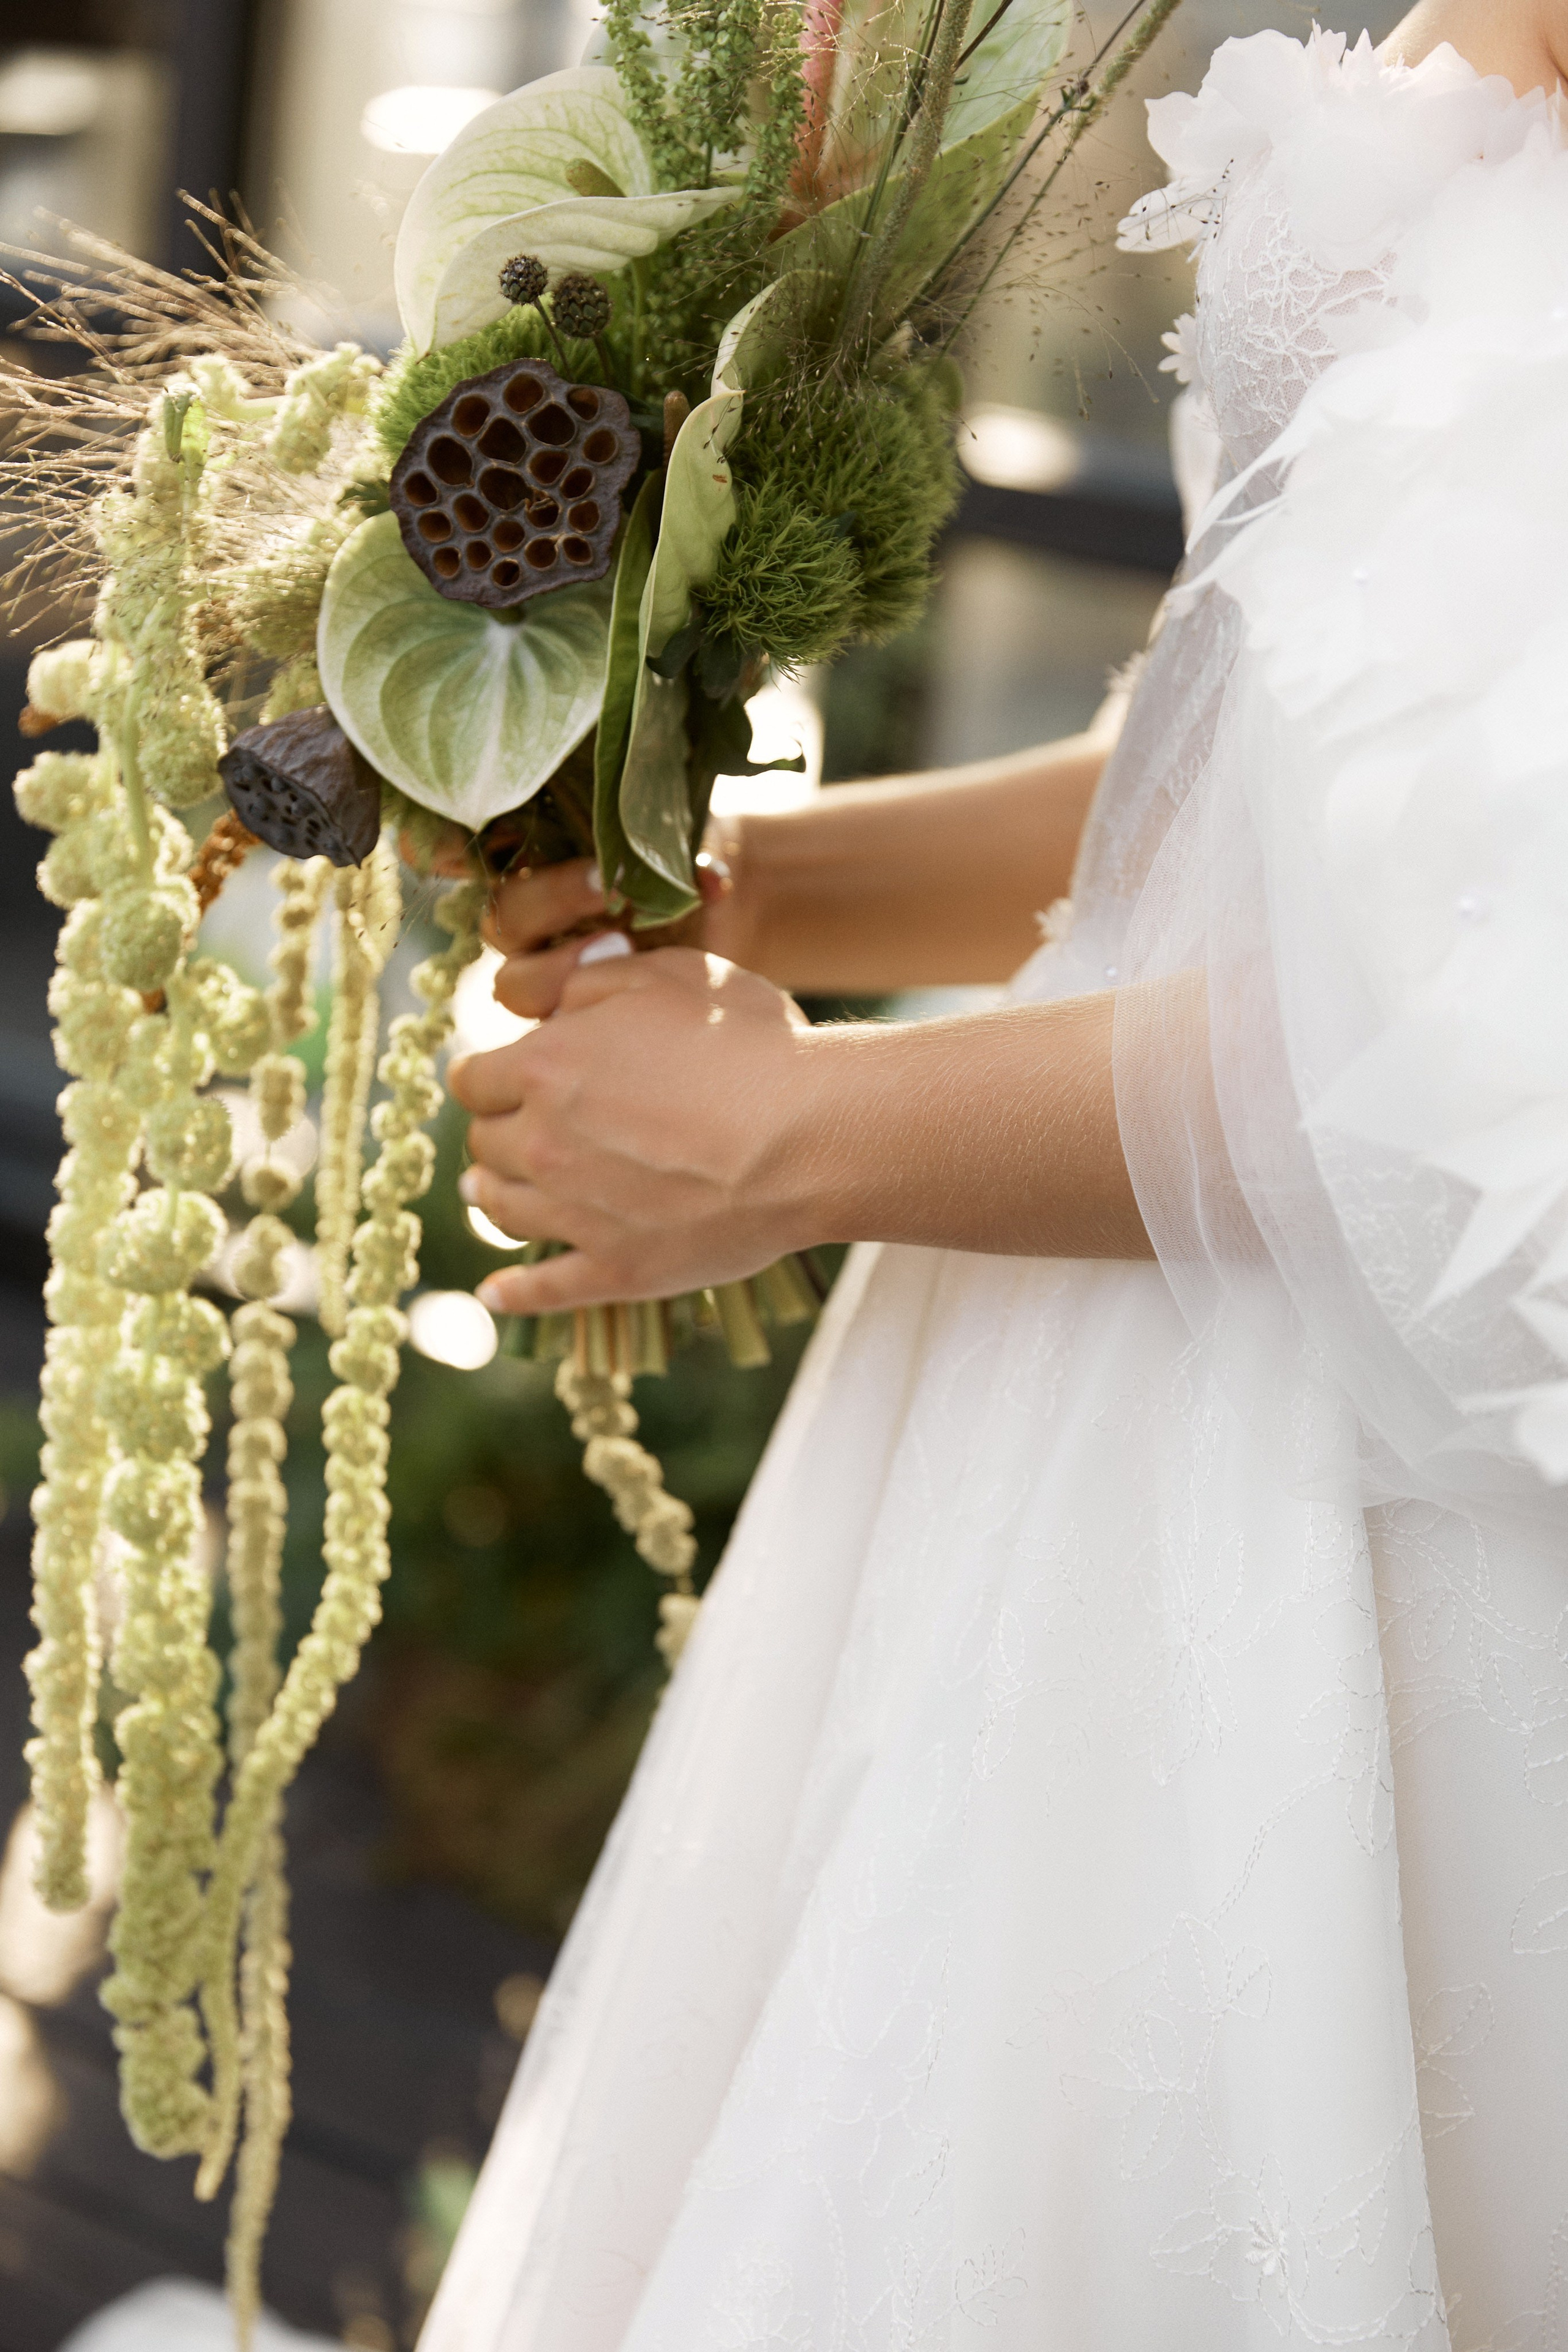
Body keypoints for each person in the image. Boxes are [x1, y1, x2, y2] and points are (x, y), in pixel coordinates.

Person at [429, 3, 1568, 2342]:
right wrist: (756, 887)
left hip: (1371, 1500)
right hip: (1047, 1378)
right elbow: (1264, 762)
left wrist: (798, 1135)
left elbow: (1490, 1051)